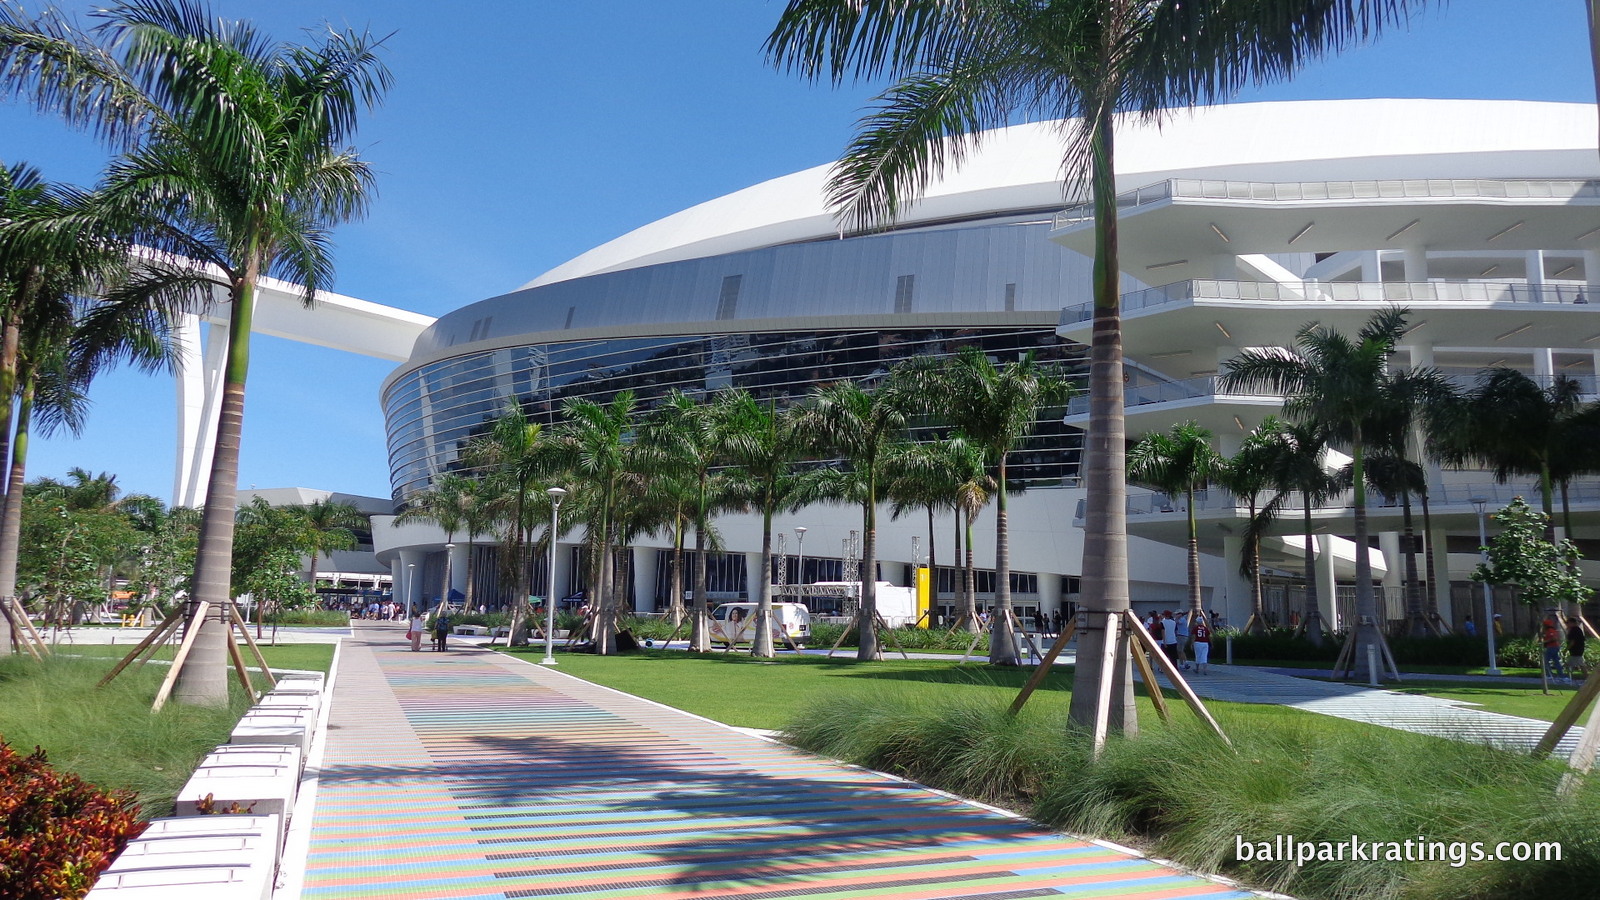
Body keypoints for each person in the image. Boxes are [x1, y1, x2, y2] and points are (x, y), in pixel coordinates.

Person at [1541, 615, 1566, 684]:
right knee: (1556, 661)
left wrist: (1545, 642)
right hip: (1553, 647)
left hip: (1552, 647)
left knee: (1546, 661)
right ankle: (1561, 675)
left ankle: (1549, 674)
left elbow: (1554, 638)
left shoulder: (1550, 630)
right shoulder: (1549, 630)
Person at [1567, 616, 1586, 680]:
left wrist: (1566, 649)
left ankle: (1586, 677)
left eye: (1568, 623)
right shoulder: (1578, 630)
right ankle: (1570, 677)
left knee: (1580, 664)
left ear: (1572, 623)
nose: (1567, 624)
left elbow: (1572, 641)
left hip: (1576, 651)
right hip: (1578, 650)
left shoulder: (1574, 630)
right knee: (1571, 664)